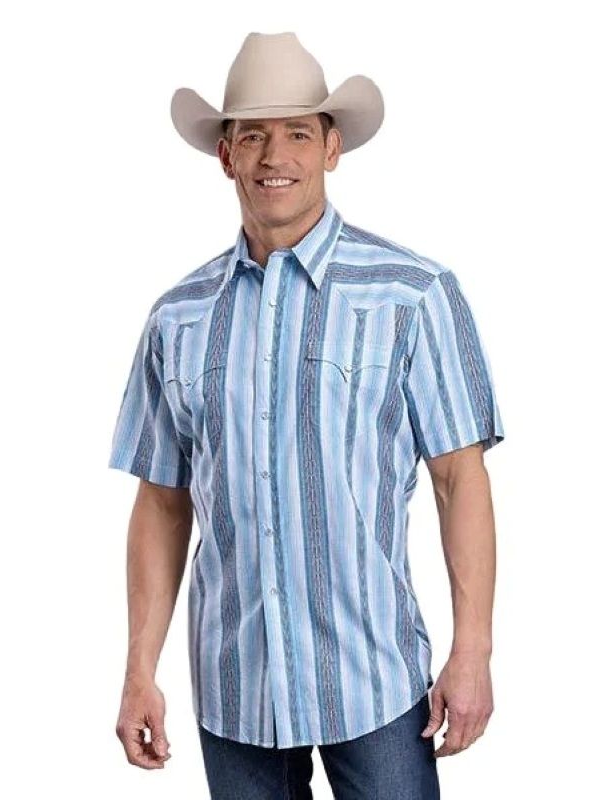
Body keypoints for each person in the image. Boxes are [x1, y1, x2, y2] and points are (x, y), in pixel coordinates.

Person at [109, 31, 505, 799]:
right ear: (225, 156)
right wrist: (138, 669)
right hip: (235, 689)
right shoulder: (178, 318)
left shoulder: (412, 295)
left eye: (296, 132)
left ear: (331, 148)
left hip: (376, 684)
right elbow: (161, 502)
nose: (274, 156)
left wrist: (474, 651)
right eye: (252, 135)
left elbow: (460, 479)